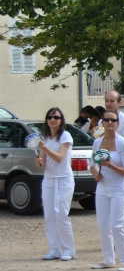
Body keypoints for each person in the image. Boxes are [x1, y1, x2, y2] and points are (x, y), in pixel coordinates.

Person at [90, 109, 124, 271]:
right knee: (103, 225)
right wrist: (96, 174)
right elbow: (92, 164)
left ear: (117, 123)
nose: (109, 123)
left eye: (112, 120)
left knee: (117, 225)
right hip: (103, 188)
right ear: (102, 122)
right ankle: (108, 259)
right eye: (106, 120)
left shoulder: (122, 142)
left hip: (119, 188)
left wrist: (109, 165)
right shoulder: (97, 142)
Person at [36, 108, 76, 261]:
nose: (53, 119)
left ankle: (68, 250)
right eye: (50, 117)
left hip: (64, 180)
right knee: (49, 216)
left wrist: (44, 148)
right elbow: (43, 161)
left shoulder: (65, 136)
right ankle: (54, 249)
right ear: (47, 120)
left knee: (61, 215)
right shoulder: (44, 138)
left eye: (56, 117)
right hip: (49, 180)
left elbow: (59, 157)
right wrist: (39, 161)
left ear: (61, 120)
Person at [104, 91, 124, 249]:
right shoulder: (102, 122)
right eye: (107, 101)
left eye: (112, 101)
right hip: (107, 167)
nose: (109, 104)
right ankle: (112, 238)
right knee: (109, 203)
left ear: (119, 103)